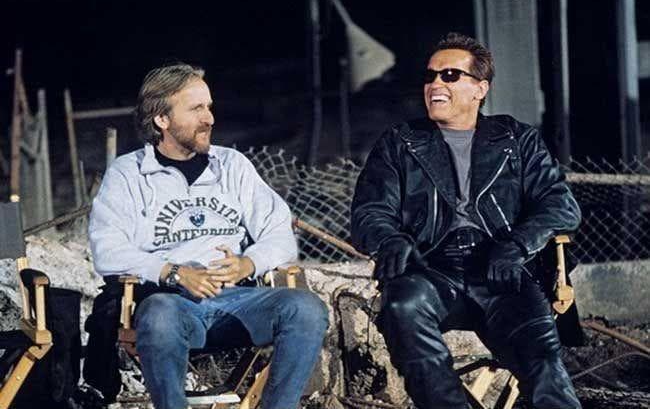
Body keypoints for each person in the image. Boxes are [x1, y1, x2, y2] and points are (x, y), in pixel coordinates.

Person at [351, 33, 582, 408]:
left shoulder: (517, 139)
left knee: (543, 362)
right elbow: (370, 210)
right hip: (430, 269)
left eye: (450, 75)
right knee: (402, 305)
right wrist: (389, 239)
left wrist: (517, 245)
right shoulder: (400, 142)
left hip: (502, 269)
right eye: (430, 76)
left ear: (480, 88)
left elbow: (560, 205)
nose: (435, 84)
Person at [88, 63, 328, 409]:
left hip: (240, 302)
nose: (209, 118)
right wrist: (173, 272)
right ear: (161, 119)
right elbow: (107, 250)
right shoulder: (129, 174)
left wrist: (249, 263)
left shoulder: (232, 166)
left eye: (209, 107)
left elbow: (279, 232)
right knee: (158, 314)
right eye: (196, 108)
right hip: (172, 304)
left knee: (306, 308)